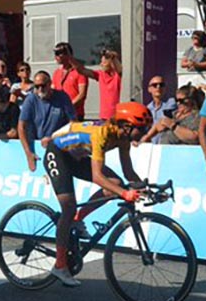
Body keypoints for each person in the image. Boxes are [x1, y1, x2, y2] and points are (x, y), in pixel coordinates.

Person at [45, 103, 152, 286]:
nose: (144, 133)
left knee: (116, 184)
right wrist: (125, 193)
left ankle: (78, 218)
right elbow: (98, 177)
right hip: (57, 154)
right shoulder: (101, 134)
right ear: (127, 126)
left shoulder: (123, 137)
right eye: (141, 129)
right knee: (68, 208)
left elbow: (128, 173)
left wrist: (147, 189)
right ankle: (60, 265)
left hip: (76, 156)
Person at [17, 70, 76, 172]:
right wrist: (28, 153)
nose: (40, 89)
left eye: (43, 86)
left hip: (59, 145)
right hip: (39, 145)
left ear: (50, 84)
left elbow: (73, 123)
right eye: (36, 86)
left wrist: (54, 138)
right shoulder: (31, 99)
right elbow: (21, 126)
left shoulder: (62, 97)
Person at [139, 84, 203, 145]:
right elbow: (158, 125)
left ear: (191, 100)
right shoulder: (174, 114)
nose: (178, 103)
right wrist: (146, 138)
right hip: (165, 152)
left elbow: (195, 138)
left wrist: (173, 126)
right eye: (176, 100)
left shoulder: (198, 116)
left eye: (181, 100)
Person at [73, 50, 121, 120]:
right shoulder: (100, 74)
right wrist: (69, 58)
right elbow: (81, 70)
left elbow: (119, 69)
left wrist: (112, 57)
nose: (101, 64)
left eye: (104, 62)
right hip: (103, 117)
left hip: (117, 117)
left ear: (111, 63)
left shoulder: (118, 76)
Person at [52, 42, 88, 120]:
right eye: (55, 54)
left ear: (67, 54)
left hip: (75, 114)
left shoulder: (79, 72)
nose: (56, 56)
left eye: (59, 53)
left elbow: (82, 95)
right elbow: (53, 92)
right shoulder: (56, 73)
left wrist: (68, 106)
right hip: (60, 115)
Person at [145, 76, 176, 143]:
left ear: (165, 88)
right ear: (149, 89)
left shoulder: (171, 103)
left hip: (166, 146)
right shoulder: (146, 109)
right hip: (150, 146)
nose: (158, 87)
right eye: (154, 85)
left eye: (161, 85)